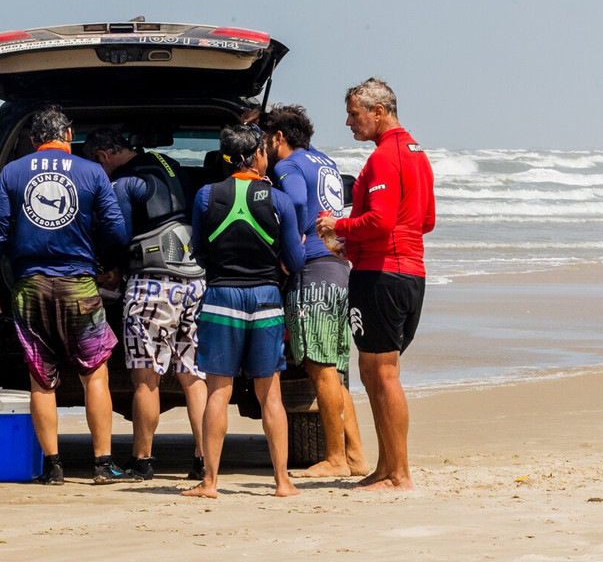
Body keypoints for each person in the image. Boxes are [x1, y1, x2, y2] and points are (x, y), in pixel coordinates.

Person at [0, 105, 132, 485]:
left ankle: (53, 466)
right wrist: (105, 261)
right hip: (78, 284)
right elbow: (116, 227)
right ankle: (102, 464)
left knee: (40, 380)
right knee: (94, 374)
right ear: (68, 135)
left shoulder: (12, 172)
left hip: (29, 286)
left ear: (32, 140)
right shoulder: (92, 171)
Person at [316, 78, 435, 491]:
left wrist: (338, 225)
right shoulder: (417, 153)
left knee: (380, 374)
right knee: (382, 371)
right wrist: (351, 242)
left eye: (354, 113)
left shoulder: (385, 157)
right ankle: (387, 467)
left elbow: (381, 221)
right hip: (410, 272)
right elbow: (426, 221)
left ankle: (398, 473)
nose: (349, 122)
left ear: (378, 111)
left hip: (381, 274)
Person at [182, 123, 306, 498]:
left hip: (221, 297)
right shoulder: (279, 200)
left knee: (219, 391)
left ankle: (210, 483)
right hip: (266, 298)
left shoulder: (206, 196)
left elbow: (199, 251)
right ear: (256, 156)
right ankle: (283, 482)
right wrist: (292, 252)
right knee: (270, 395)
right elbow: (296, 261)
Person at [81, 129, 207, 481]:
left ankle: (142, 461)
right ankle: (203, 459)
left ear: (104, 155)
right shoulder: (172, 165)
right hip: (195, 281)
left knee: (146, 378)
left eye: (95, 165)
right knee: (193, 375)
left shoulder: (124, 183)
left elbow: (117, 236)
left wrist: (106, 269)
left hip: (151, 283)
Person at [263, 104, 367, 478]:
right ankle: (354, 455)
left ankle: (336, 458)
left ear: (278, 137)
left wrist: (291, 248)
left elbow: (295, 202)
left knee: (319, 368)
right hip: (338, 265)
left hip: (313, 271)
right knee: (334, 371)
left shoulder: (288, 165)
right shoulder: (325, 162)